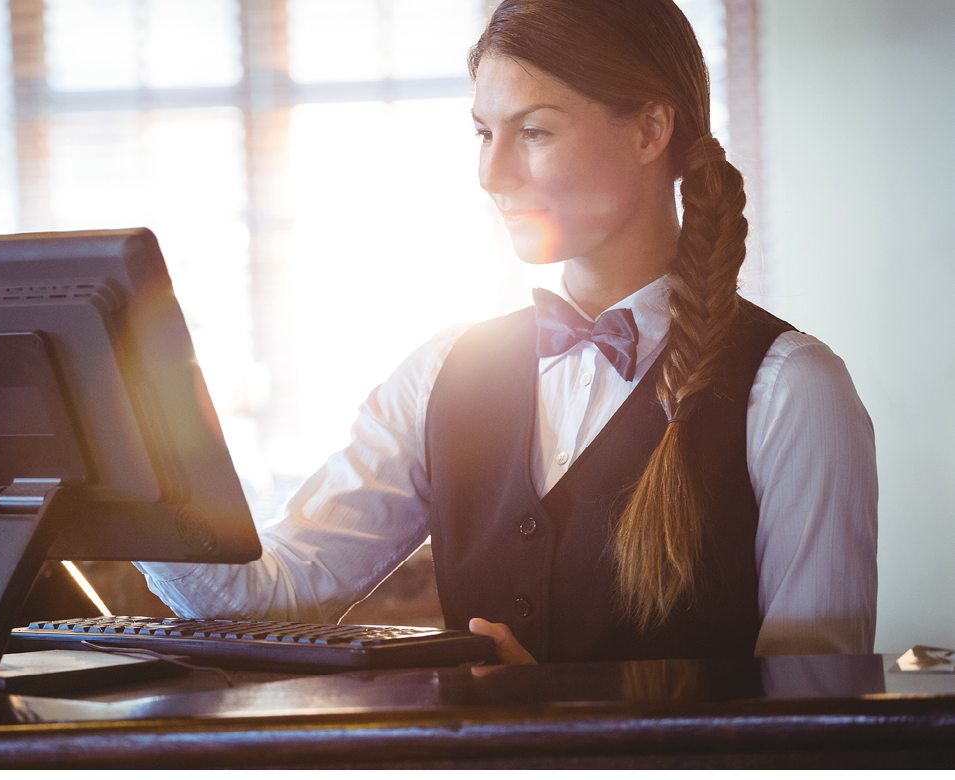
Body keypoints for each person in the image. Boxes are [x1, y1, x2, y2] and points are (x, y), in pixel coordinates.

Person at [137, 0, 877, 664]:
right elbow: (278, 590)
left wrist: (560, 711)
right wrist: (140, 458)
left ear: (651, 130)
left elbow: (811, 711)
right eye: (483, 133)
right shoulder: (441, 370)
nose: (490, 174)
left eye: (533, 131)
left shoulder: (790, 390)